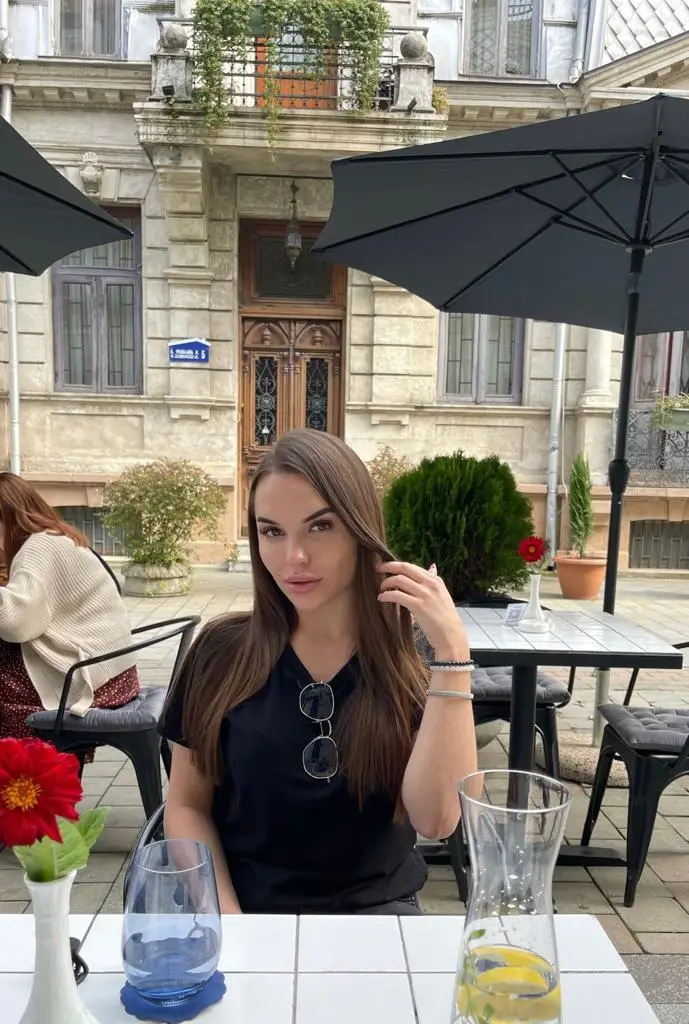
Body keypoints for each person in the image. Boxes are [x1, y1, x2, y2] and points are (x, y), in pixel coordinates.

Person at [160, 429, 478, 915]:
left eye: (320, 526)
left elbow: (438, 820)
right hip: (243, 914)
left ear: (359, 529)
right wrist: (228, 922)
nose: (294, 557)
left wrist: (452, 653)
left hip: (378, 917)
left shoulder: (411, 658)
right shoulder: (221, 653)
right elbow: (186, 806)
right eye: (272, 532)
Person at [0, 473, 140, 744]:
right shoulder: (53, 536)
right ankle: (47, 766)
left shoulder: (38, 547)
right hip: (115, 673)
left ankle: (29, 765)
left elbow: (15, 623)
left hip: (92, 680)